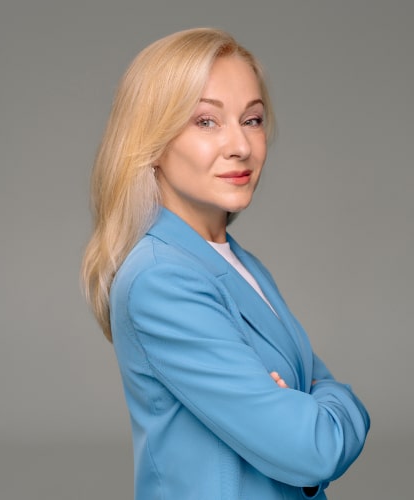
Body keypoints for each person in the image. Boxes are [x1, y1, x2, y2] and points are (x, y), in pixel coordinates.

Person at [81, 27, 369, 500]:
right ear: (152, 141)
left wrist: (313, 401)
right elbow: (313, 448)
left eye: (252, 119)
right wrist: (329, 402)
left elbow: (317, 399)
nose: (241, 146)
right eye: (206, 121)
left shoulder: (239, 263)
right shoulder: (160, 279)